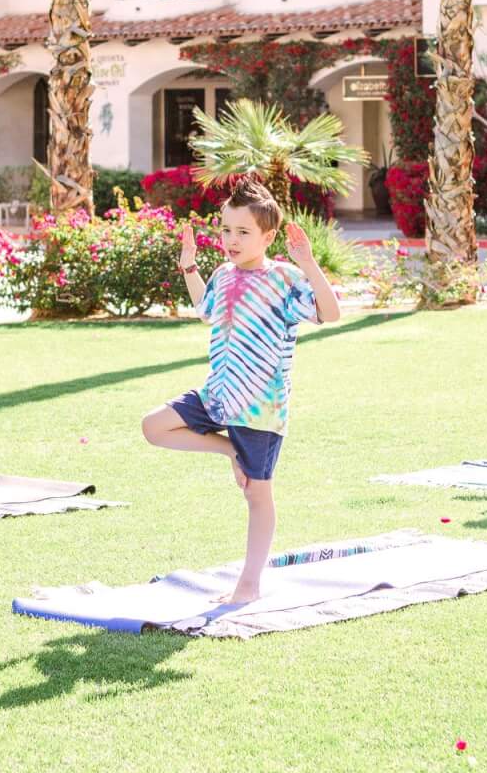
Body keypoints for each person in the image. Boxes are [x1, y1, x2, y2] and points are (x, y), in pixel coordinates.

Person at [141, 182, 341, 604]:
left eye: (243, 232)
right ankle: (229, 449)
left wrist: (308, 263)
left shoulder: (284, 279)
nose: (231, 240)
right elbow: (206, 311)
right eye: (226, 230)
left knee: (257, 494)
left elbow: (331, 312)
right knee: (154, 426)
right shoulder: (223, 274)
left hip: (259, 409)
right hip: (218, 395)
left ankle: (248, 586)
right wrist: (189, 268)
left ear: (268, 237)